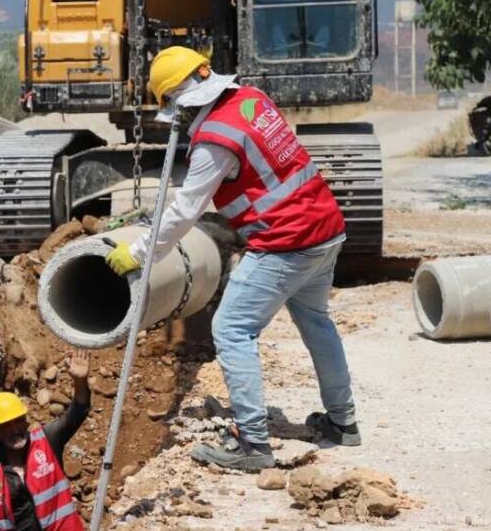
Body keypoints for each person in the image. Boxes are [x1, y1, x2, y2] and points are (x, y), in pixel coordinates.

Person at [104, 46, 359, 471]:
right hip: (325, 228)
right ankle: (343, 421)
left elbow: (186, 211)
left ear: (179, 101)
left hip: (286, 240)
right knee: (316, 321)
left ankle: (253, 444)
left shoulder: (214, 141)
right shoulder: (250, 100)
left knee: (232, 328)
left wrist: (139, 253)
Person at [0, 351, 91, 531]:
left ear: (26, 419)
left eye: (18, 421)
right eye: (6, 425)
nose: (15, 429)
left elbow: (78, 412)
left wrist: (80, 381)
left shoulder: (47, 440)